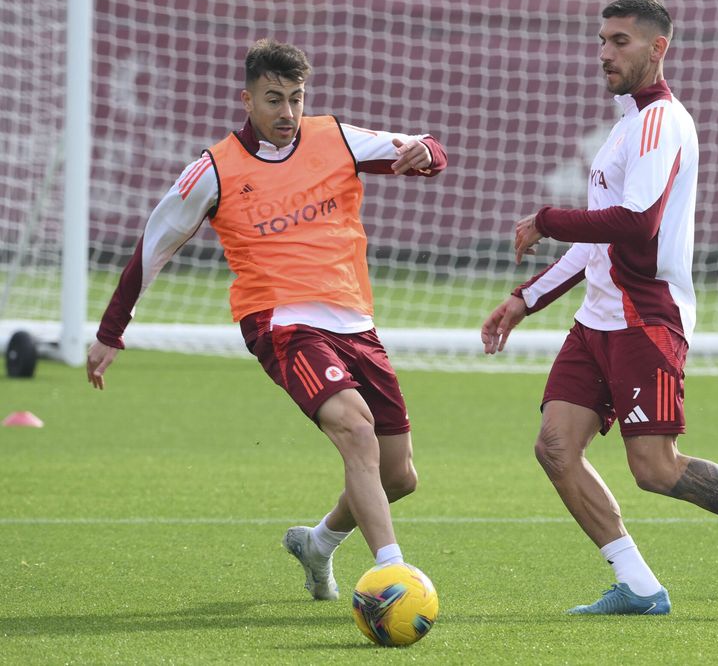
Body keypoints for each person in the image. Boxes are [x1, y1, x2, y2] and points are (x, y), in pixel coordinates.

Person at [480, 0, 718, 617]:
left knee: (655, 467)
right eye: (601, 40)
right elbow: (600, 242)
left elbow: (637, 224)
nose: (604, 53)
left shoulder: (661, 121)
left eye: (620, 41)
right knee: (556, 448)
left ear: (658, 47)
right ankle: (640, 587)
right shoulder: (625, 126)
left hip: (647, 319)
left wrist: (546, 218)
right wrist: (525, 298)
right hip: (597, 320)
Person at [87, 39, 448, 601]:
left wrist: (427, 153)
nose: (287, 113)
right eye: (274, 99)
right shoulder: (214, 169)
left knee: (399, 476)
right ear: (247, 99)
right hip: (280, 322)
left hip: (353, 320)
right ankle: (392, 576)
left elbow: (423, 147)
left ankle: (319, 542)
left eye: (296, 99)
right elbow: (152, 246)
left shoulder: (336, 138)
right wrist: (112, 331)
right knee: (355, 430)